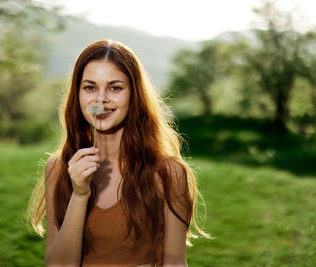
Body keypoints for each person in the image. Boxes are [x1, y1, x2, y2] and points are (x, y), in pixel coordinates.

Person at [27, 40, 210, 267]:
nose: (101, 99)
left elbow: (175, 263)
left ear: (134, 94)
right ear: (78, 95)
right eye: (90, 88)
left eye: (115, 88)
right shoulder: (57, 168)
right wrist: (80, 194)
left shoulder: (168, 173)